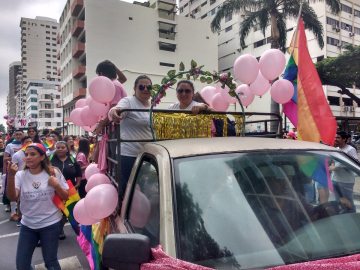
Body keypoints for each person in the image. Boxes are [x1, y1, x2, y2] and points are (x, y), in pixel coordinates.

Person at [6, 143, 69, 270]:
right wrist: (11, 176)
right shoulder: (20, 175)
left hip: (51, 224)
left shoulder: (53, 173)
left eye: (33, 154)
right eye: (26, 154)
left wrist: (56, 185)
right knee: (22, 265)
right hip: (27, 225)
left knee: (51, 263)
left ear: (42, 157)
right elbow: (12, 197)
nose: (28, 157)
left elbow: (65, 196)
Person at [109, 75, 153, 194]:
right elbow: (116, 109)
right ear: (135, 89)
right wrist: (114, 113)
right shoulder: (128, 101)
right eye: (141, 86)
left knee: (144, 189)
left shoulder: (154, 106)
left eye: (148, 87)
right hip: (128, 155)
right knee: (128, 189)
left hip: (147, 154)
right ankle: (127, 212)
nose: (145, 89)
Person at [50, 141, 82, 240]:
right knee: (55, 210)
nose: (60, 149)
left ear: (67, 149)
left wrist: (78, 184)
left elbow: (78, 171)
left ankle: (60, 230)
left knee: (66, 211)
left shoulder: (72, 159)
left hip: (69, 189)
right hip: (53, 189)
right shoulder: (50, 159)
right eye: (58, 147)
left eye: (62, 147)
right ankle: (50, 231)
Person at [93, 60, 127, 135]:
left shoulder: (114, 86)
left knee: (115, 146)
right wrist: (112, 66)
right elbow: (123, 78)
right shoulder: (115, 83)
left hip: (116, 126)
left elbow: (115, 110)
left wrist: (101, 125)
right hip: (116, 126)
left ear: (101, 74)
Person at [330, 131, 359, 213]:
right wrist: (332, 165)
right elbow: (334, 161)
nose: (336, 139)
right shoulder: (336, 149)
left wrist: (337, 167)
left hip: (346, 181)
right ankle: (343, 218)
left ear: (344, 139)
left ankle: (353, 219)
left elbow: (354, 164)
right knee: (338, 202)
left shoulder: (350, 150)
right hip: (335, 179)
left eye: (338, 137)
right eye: (335, 137)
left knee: (348, 202)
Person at [11, 136, 33, 225]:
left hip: (33, 178)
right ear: (22, 144)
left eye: (30, 142)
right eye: (27, 142)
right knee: (21, 198)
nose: (29, 144)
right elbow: (14, 168)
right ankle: (20, 217)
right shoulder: (17, 155)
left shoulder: (37, 153)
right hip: (21, 179)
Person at [3, 129, 24, 214]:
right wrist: (14, 157)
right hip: (13, 169)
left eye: (20, 134)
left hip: (24, 169)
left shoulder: (28, 145)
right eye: (17, 134)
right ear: (14, 136)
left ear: (23, 135)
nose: (18, 136)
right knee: (11, 187)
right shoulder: (10, 145)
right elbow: (4, 158)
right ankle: (9, 204)